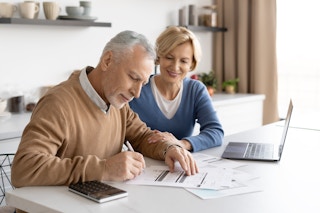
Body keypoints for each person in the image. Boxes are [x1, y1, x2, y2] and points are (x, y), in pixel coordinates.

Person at [11, 30, 198, 190]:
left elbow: (142, 137)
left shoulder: (117, 102)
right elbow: (24, 169)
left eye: (143, 83)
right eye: (133, 78)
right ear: (108, 61)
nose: (137, 93)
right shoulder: (58, 103)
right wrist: (104, 169)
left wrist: (168, 148)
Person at [130, 26, 224, 152]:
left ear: (192, 64)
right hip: (144, 164)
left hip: (181, 164)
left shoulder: (195, 90)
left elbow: (215, 132)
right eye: (169, 58)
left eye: (184, 61)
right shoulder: (138, 88)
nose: (175, 67)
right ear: (159, 57)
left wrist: (181, 144)